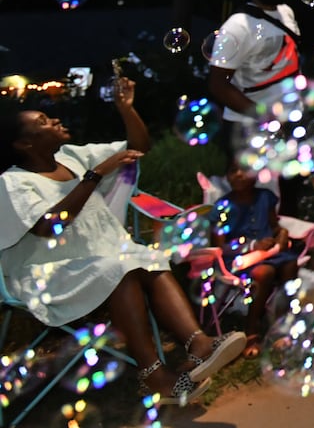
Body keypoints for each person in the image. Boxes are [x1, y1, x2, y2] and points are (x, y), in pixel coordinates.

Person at [0, 77, 245, 404]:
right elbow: (48, 226)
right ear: (24, 144)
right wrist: (96, 175)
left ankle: (199, 344)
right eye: (43, 122)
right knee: (120, 268)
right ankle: (153, 376)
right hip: (44, 275)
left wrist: (125, 109)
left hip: (95, 261)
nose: (55, 119)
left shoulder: (73, 156)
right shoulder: (13, 182)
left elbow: (138, 146)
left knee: (146, 257)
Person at [213, 159, 299, 357]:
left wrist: (282, 233)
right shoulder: (222, 206)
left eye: (244, 169)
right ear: (227, 176)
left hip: (269, 255)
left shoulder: (264, 197)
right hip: (238, 260)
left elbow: (274, 225)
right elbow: (220, 246)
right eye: (233, 170)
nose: (239, 174)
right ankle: (251, 329)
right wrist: (251, 246)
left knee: (290, 264)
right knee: (264, 272)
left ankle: (281, 323)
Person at [207, 0, 302, 125]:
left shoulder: (286, 12)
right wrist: (264, 117)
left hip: (288, 120)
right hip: (249, 126)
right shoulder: (238, 25)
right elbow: (218, 85)